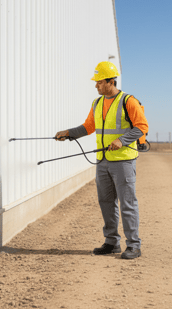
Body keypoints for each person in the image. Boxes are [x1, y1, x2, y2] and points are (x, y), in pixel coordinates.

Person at [55, 61, 148, 259]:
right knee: (106, 202)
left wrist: (121, 141)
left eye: (99, 82)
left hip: (123, 161)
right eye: (96, 82)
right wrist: (69, 133)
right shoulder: (97, 103)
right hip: (102, 161)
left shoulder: (128, 101)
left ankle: (133, 245)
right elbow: (88, 127)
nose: (96, 85)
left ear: (110, 81)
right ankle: (112, 242)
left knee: (127, 203)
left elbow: (141, 127)